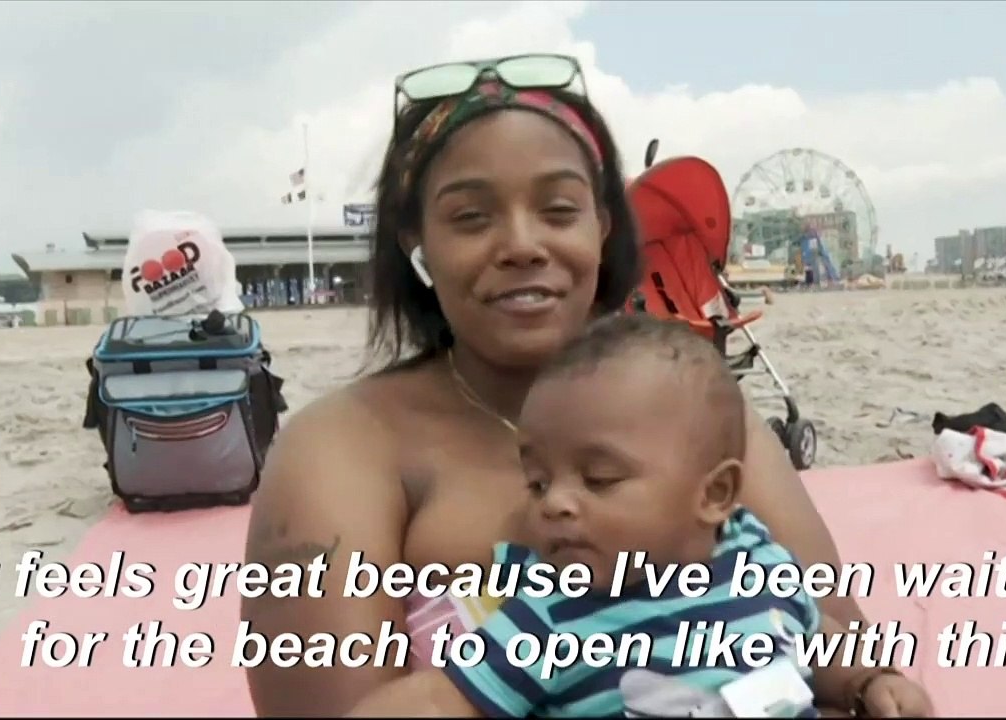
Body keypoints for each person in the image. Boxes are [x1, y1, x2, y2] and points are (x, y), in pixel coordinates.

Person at [243, 53, 887, 717]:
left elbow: (831, 653)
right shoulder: (339, 450)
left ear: (603, 229)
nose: (521, 244)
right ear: (418, 241)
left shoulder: (697, 412)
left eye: (557, 209)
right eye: (470, 218)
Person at [344, 314, 932, 718]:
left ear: (715, 494)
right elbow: (441, 701)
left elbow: (812, 639)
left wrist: (871, 683)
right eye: (537, 481)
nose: (554, 502)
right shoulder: (549, 614)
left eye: (599, 479)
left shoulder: (758, 561)